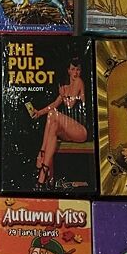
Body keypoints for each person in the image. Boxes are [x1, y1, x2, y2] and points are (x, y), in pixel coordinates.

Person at [29, 58, 88, 187]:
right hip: (69, 131)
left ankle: (42, 157)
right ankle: (45, 177)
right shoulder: (65, 88)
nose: (75, 72)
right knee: (53, 125)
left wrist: (63, 95)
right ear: (68, 71)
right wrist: (39, 112)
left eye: (78, 69)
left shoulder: (79, 82)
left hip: (81, 131)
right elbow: (54, 104)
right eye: (73, 69)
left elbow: (70, 104)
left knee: (53, 115)